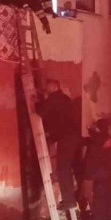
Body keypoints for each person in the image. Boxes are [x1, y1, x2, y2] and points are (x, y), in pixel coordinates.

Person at [35, 79, 80, 211]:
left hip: (66, 138)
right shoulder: (65, 99)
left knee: (62, 169)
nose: (47, 90)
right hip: (72, 137)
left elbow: (42, 112)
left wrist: (35, 102)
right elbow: (61, 120)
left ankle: (69, 201)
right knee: (65, 168)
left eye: (48, 88)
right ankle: (70, 200)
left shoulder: (55, 98)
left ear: (55, 87)